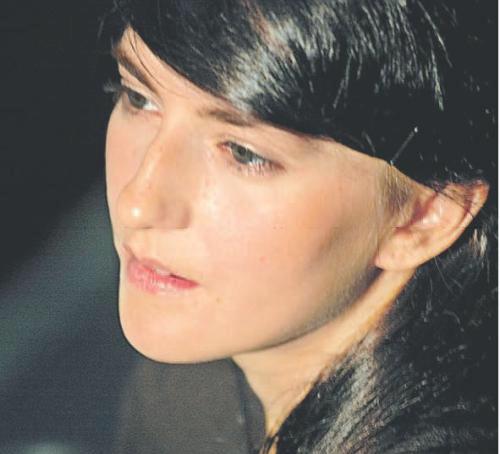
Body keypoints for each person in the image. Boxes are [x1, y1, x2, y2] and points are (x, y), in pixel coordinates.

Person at [101, 0, 496, 452]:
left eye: (244, 154)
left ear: (424, 216)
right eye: (139, 98)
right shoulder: (190, 390)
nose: (136, 205)